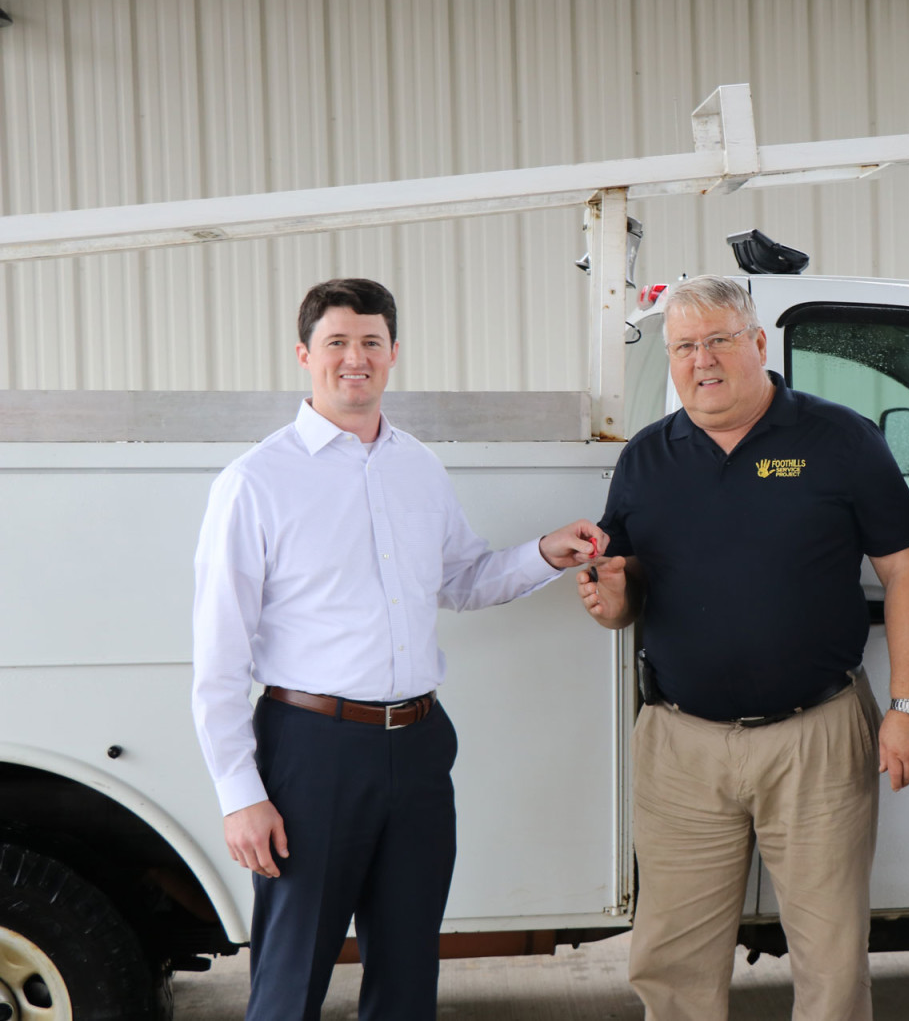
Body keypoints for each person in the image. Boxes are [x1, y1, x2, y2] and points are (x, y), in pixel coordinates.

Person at [191, 278, 605, 1021]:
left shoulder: (418, 466)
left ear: (393, 354)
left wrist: (546, 553)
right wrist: (240, 794)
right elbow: (218, 657)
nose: (356, 358)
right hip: (310, 755)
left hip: (417, 749)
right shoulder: (255, 482)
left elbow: (464, 579)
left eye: (371, 342)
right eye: (338, 342)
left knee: (408, 972)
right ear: (304, 354)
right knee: (291, 980)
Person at [577, 275, 909, 1021]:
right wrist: (615, 605)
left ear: (758, 344)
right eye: (685, 346)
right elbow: (632, 585)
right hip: (681, 744)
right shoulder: (647, 459)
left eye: (718, 340)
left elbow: (906, 571)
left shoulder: (840, 440)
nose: (702, 360)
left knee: (831, 960)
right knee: (671, 961)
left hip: (817, 736)